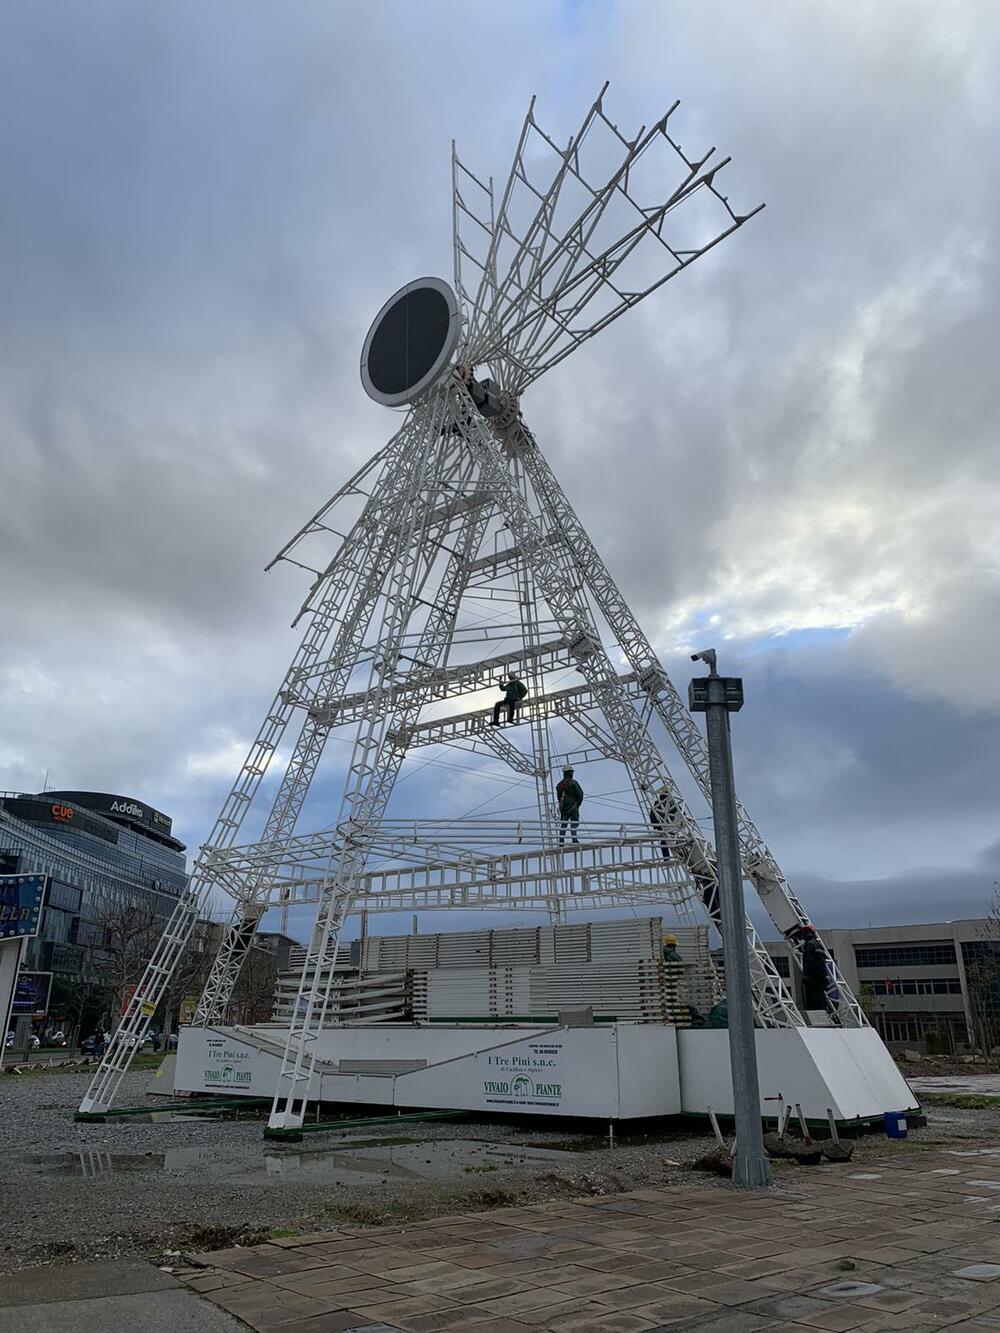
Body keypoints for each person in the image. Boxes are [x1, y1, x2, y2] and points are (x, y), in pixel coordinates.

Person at [796, 924, 829, 1012]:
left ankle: (816, 1012)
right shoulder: (818, 944)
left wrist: (807, 976)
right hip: (821, 977)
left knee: (812, 999)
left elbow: (810, 961)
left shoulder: (809, 944)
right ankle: (822, 1011)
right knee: (820, 997)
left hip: (813, 978)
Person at [649, 785, 680, 860]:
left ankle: (668, 857)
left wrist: (655, 825)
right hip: (669, 825)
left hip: (665, 825)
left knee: (665, 841)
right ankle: (675, 855)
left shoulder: (662, 803)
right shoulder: (669, 803)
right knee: (667, 841)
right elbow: (680, 812)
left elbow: (652, 815)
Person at [556, 767, 583, 844]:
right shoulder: (573, 783)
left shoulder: (559, 785)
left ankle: (561, 840)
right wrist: (578, 804)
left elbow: (559, 797)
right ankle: (574, 839)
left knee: (564, 823)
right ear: (570, 773)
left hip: (564, 806)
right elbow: (580, 794)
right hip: (573, 805)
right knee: (574, 822)